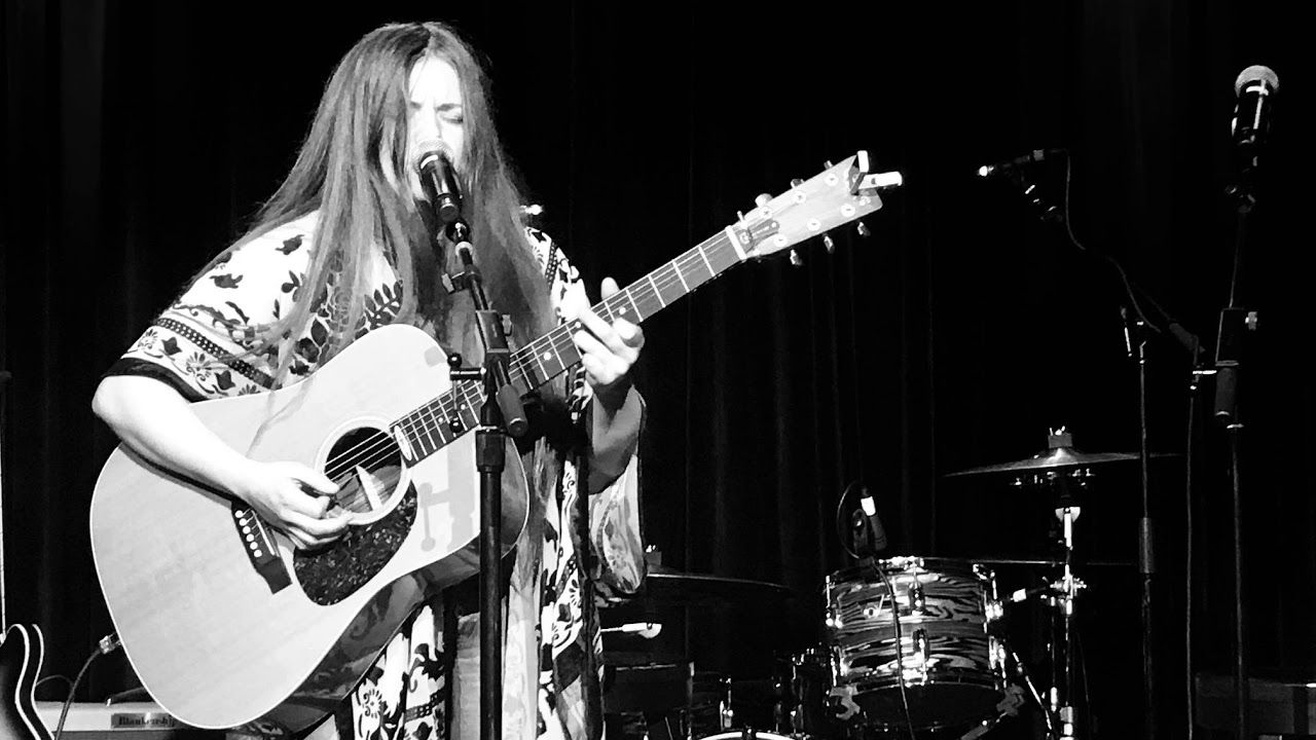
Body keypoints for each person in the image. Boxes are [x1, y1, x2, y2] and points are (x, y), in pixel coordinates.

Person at [91, 20, 647, 740]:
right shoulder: (307, 259)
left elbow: (593, 463)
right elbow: (127, 394)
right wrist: (252, 483)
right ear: (365, 126)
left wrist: (611, 387)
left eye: (452, 116)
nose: (434, 136)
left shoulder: (527, 264)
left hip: (510, 623)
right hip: (359, 646)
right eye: (411, 113)